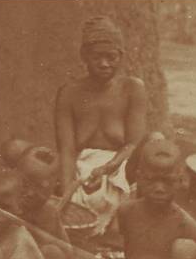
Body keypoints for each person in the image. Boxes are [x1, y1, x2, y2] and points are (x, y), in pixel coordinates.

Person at [55, 15, 148, 235]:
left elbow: (133, 143)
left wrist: (109, 166)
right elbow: (67, 150)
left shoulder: (132, 89)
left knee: (154, 144)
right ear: (84, 56)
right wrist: (67, 191)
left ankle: (127, 220)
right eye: (97, 57)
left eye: (111, 57)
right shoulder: (69, 93)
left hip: (122, 166)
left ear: (121, 57)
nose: (104, 63)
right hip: (82, 169)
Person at [17, 146, 79, 259]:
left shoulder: (48, 213)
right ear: (14, 176)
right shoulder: (8, 203)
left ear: (54, 187)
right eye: (24, 184)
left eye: (41, 187)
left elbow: (64, 255)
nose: (31, 193)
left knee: (51, 253)